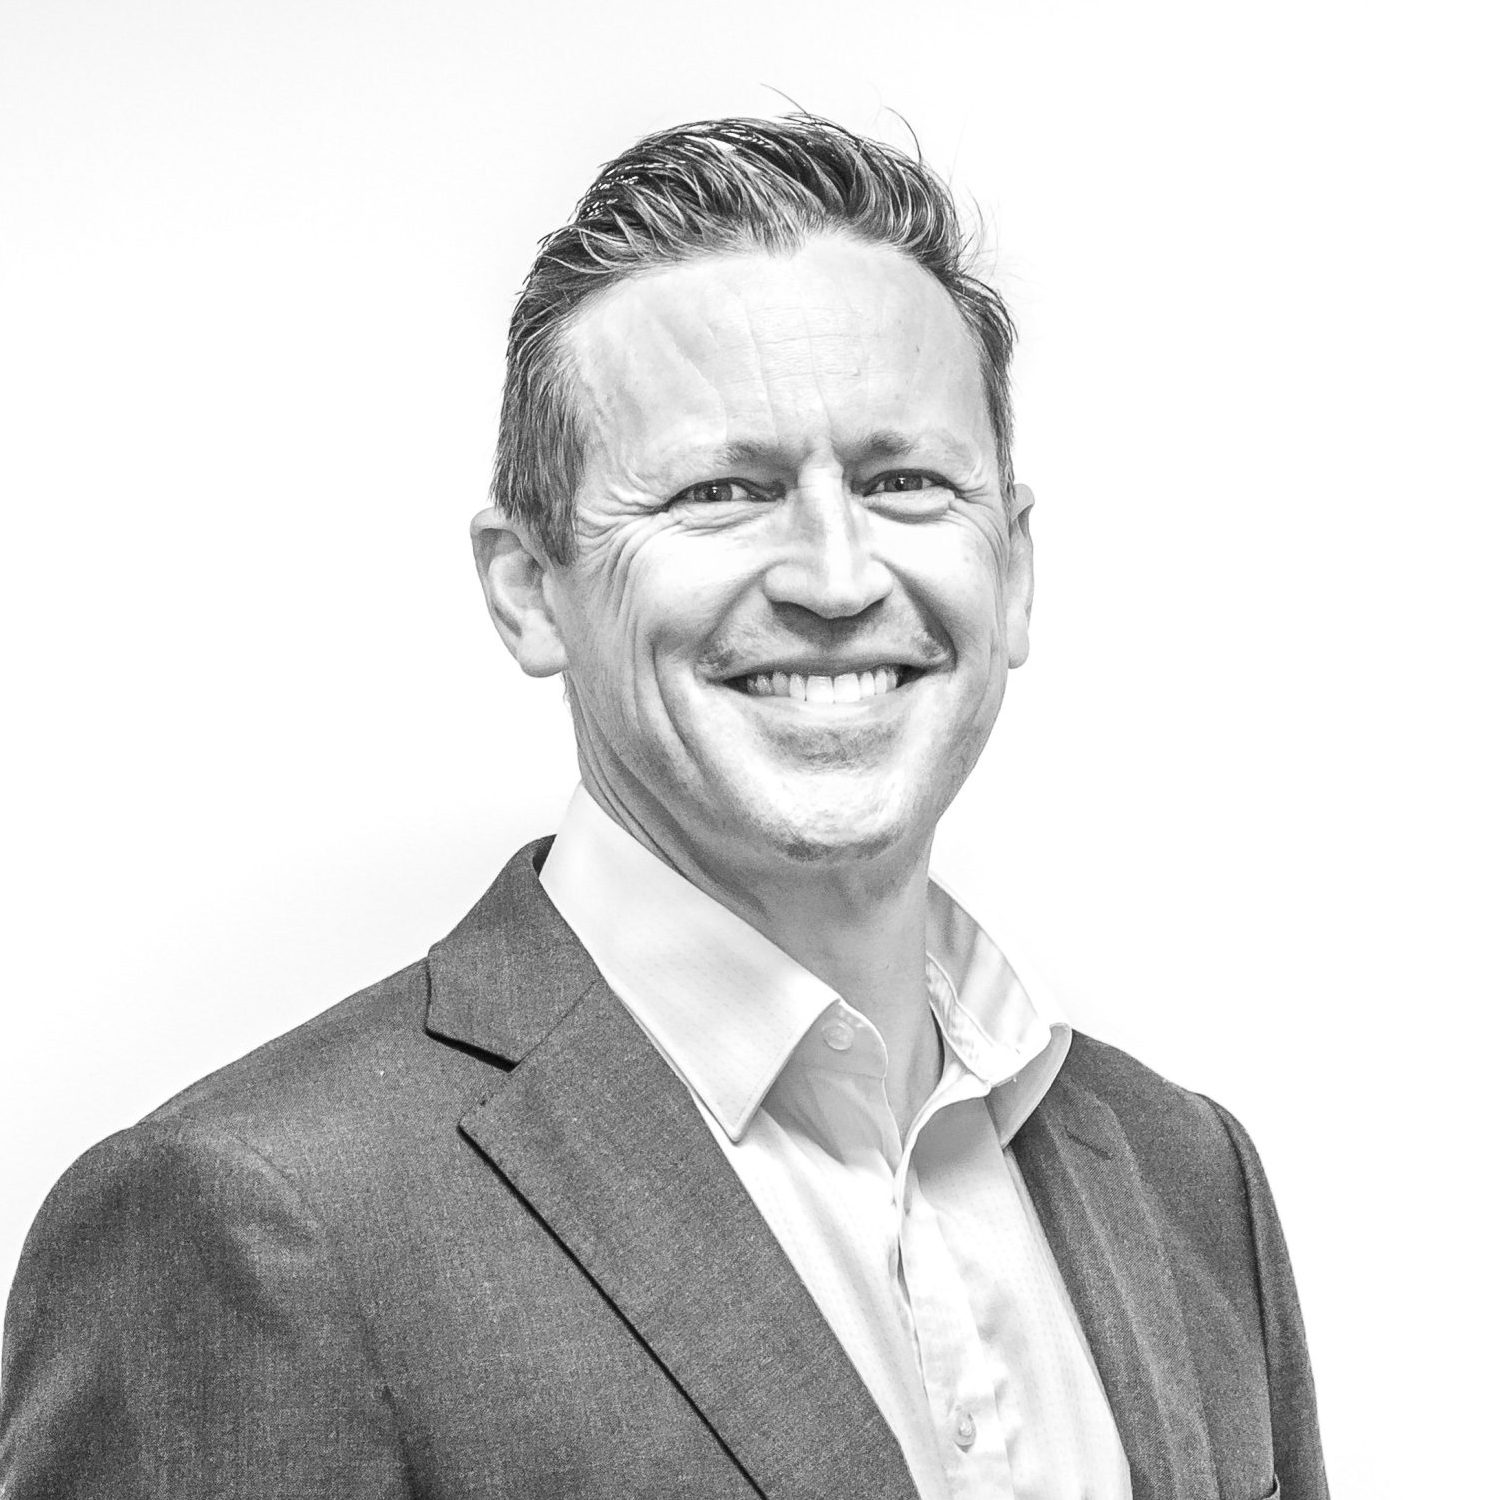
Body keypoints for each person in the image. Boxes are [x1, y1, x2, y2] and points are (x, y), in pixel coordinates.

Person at [0, 115, 1326, 1499]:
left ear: (1016, 570)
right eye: (720, 492)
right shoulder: (254, 1222)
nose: (834, 578)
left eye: (906, 484)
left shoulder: (1188, 1176)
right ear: (529, 590)